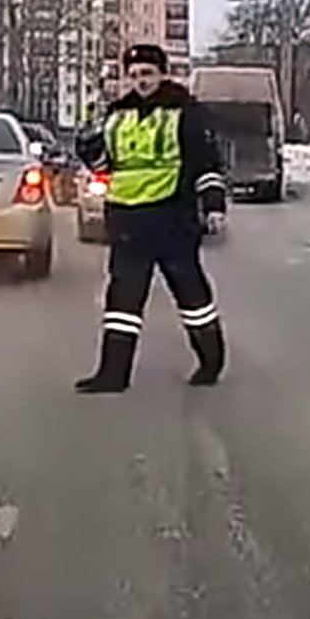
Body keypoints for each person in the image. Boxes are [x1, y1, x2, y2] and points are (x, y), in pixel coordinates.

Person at [73, 44, 229, 394]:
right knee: (122, 302)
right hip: (128, 219)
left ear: (162, 73)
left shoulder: (186, 112)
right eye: (134, 75)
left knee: (191, 295)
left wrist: (213, 204)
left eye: (147, 73)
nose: (140, 81)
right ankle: (112, 374)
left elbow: (206, 162)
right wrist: (88, 148)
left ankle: (211, 359)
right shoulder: (117, 115)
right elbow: (104, 166)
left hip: (173, 216)